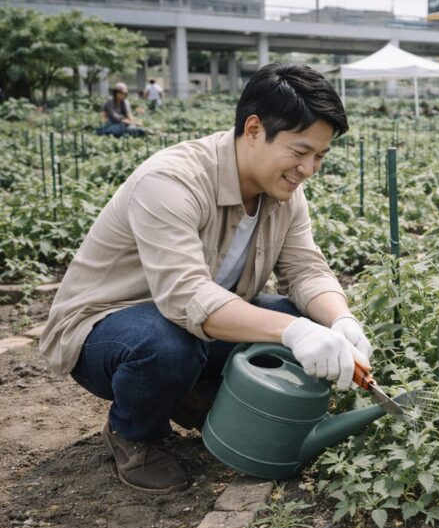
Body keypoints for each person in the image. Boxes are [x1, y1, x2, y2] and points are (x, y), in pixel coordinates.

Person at [40, 63, 373, 494]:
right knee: (167, 345)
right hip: (108, 328)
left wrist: (341, 320)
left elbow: (306, 269)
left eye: (320, 157)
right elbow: (186, 298)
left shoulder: (284, 193)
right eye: (300, 151)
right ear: (254, 129)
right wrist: (294, 332)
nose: (308, 168)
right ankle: (133, 433)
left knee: (306, 317)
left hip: (196, 323)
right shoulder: (172, 180)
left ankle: (192, 394)